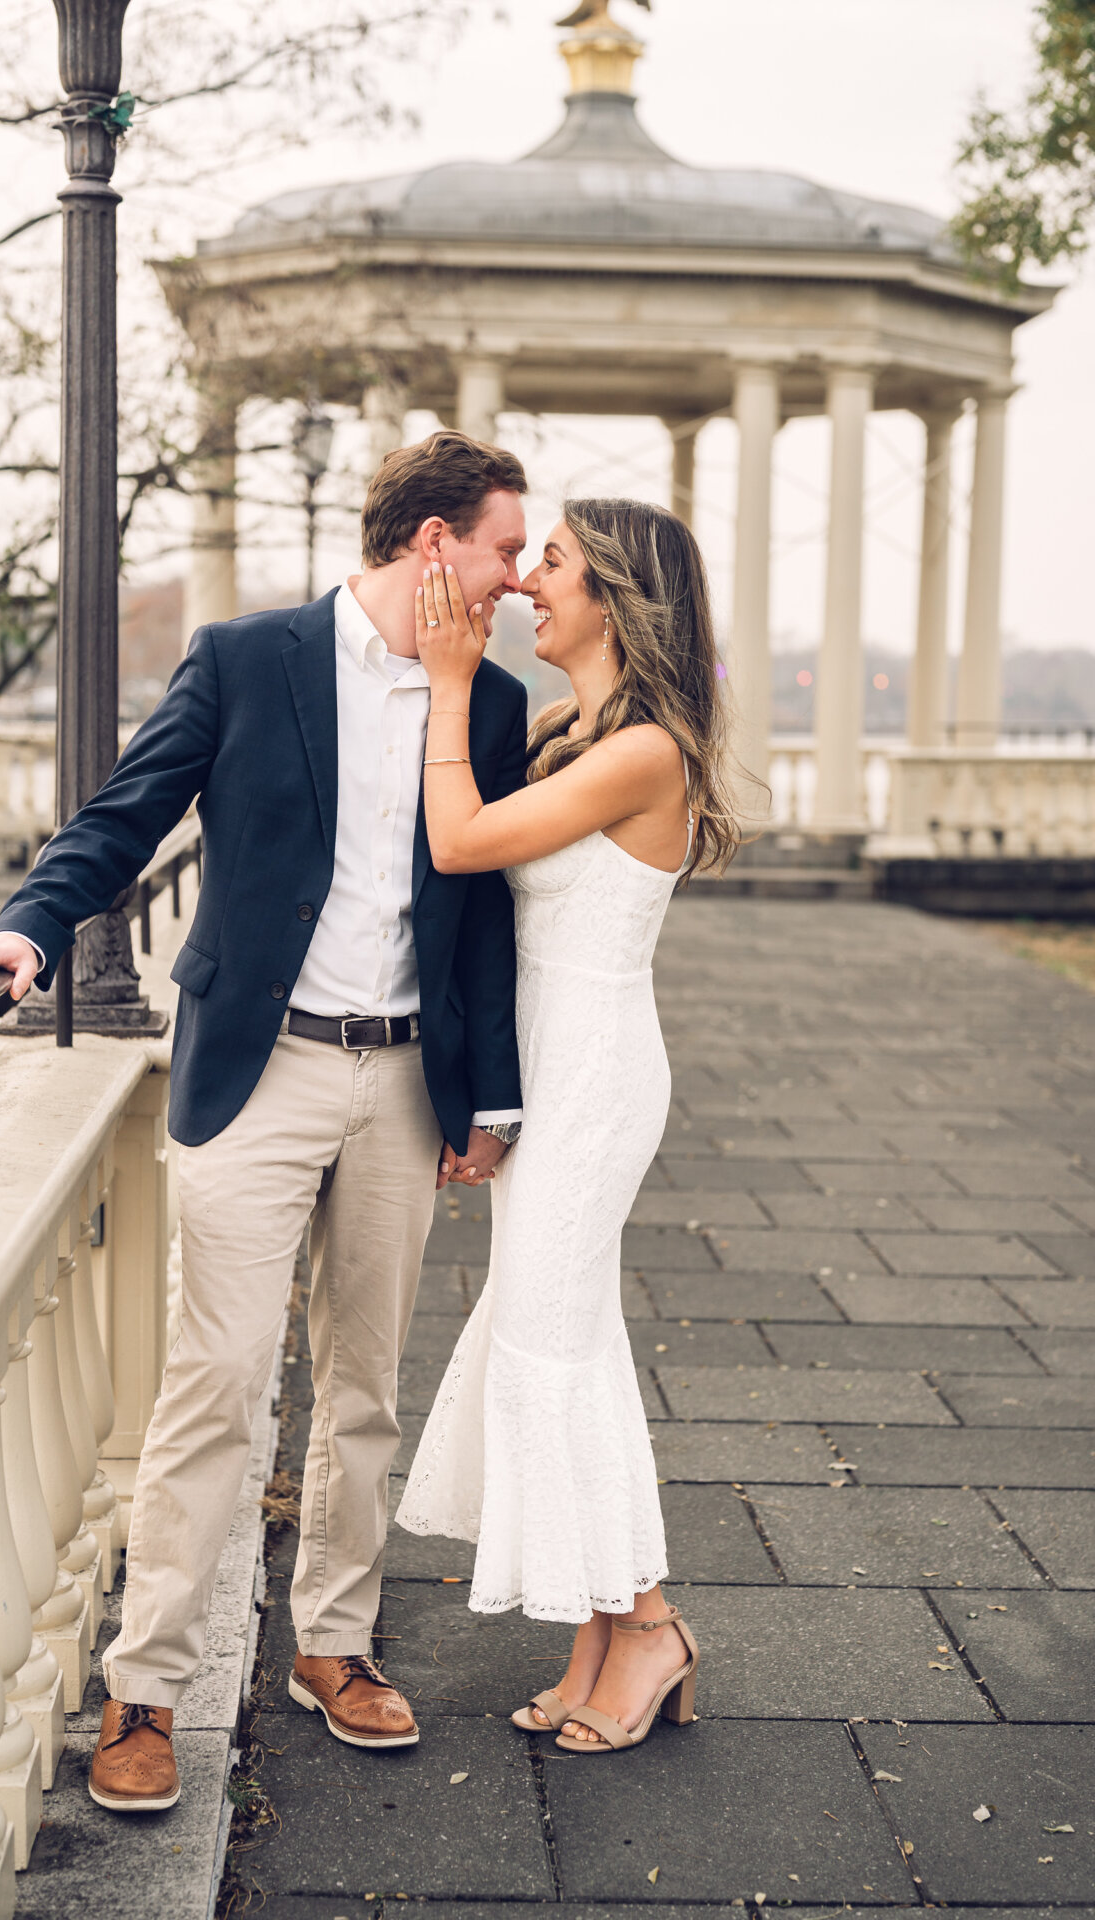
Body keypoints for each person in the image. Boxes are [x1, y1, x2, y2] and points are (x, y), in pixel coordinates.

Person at [0, 429, 531, 1807]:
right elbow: (126, 813)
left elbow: (482, 915)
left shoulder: (490, 707)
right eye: (505, 546)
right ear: (435, 543)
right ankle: (145, 1689)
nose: (515, 575)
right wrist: (30, 928)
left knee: (367, 1385)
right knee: (214, 1386)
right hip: (255, 1077)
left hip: (403, 1085)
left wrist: (487, 1090)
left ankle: (335, 1644)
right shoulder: (246, 658)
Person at [396, 497, 739, 1754]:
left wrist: (445, 682)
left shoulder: (647, 749)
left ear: (615, 596)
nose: (531, 580)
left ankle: (645, 1625)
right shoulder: (562, 728)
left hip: (593, 1069)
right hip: (542, 1064)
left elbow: (461, 839)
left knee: (550, 1339)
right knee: (564, 1338)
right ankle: (602, 1636)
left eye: (552, 563)